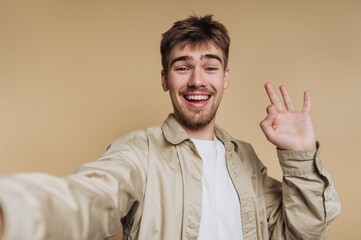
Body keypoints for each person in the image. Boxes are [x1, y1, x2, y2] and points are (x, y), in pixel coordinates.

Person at [0, 15, 340, 240]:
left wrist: (299, 155)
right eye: (182, 67)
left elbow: (304, 232)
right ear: (165, 79)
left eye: (210, 67)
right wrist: (14, 209)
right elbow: (91, 198)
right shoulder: (137, 152)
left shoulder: (246, 160)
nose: (196, 81)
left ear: (225, 78)